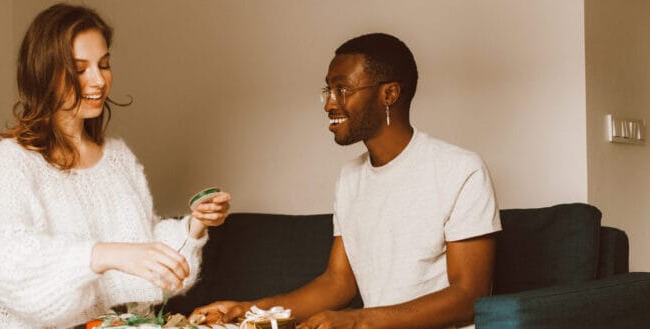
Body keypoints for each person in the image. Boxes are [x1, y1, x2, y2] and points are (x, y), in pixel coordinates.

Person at [193, 33, 500, 329]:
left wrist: (357, 320)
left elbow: (468, 296)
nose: (329, 103)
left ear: (389, 94)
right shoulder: (350, 178)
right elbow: (338, 283)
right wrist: (248, 311)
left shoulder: (461, 170)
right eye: (328, 90)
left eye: (343, 89)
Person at [0, 4, 231, 328]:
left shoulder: (118, 158)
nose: (98, 80)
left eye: (104, 64)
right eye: (79, 69)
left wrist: (194, 228)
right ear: (44, 73)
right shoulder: (9, 161)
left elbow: (142, 251)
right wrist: (102, 255)